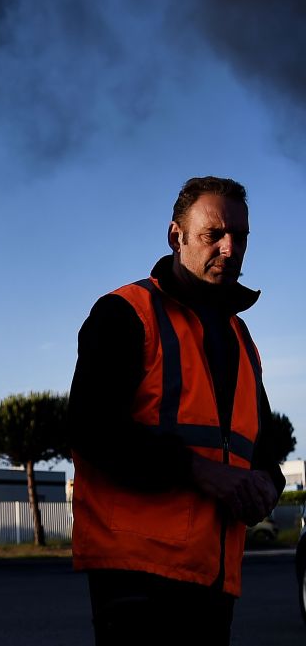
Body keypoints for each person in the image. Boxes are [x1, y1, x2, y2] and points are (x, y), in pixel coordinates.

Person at [68, 176, 286, 645]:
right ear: (177, 236)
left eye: (241, 237)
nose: (231, 249)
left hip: (215, 578)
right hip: (136, 578)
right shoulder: (125, 312)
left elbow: (262, 449)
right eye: (215, 235)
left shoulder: (242, 340)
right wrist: (200, 472)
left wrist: (269, 482)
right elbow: (91, 431)